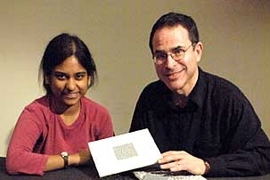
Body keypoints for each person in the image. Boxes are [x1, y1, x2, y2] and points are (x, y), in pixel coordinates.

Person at [129, 12, 270, 177]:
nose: (169, 63)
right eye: (160, 55)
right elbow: (136, 156)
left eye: (178, 51)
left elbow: (264, 156)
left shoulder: (226, 97)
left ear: (197, 52)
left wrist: (206, 165)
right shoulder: (150, 96)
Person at [6, 33, 114, 175]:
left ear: (89, 78)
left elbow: (112, 162)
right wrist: (73, 158)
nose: (71, 86)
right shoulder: (36, 112)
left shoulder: (100, 115)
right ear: (47, 77)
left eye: (79, 76)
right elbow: (15, 161)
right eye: (61, 76)